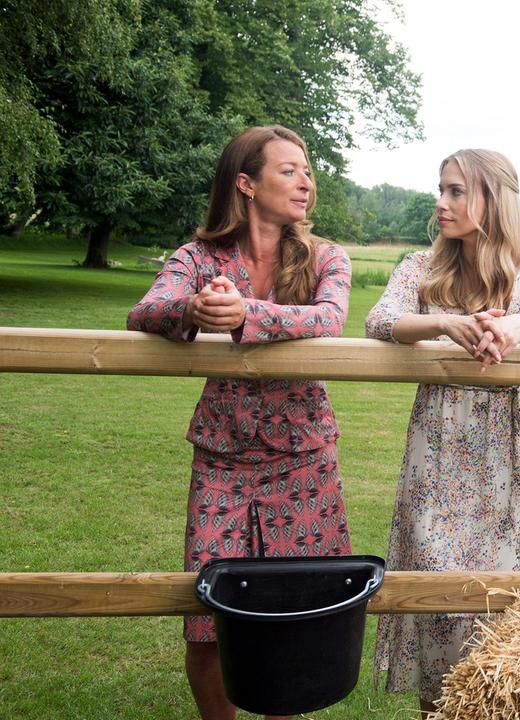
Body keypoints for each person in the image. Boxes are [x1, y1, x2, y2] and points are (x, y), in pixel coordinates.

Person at [126, 125, 353, 720]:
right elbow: (146, 309)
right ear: (246, 183)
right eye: (289, 171)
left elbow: (329, 318)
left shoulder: (328, 256)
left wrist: (245, 311)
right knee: (207, 622)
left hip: (303, 459)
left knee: (297, 614)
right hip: (222, 460)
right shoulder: (199, 256)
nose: (306, 182)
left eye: (307, 171)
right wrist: (192, 307)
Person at [366, 149, 520, 710]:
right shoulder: (420, 267)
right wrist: (445, 322)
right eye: (441, 189)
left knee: (511, 585)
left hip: (511, 441)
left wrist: (517, 326)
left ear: (493, 198)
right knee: (438, 583)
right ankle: (438, 706)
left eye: (456, 191)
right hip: (440, 439)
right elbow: (381, 319)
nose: (441, 202)